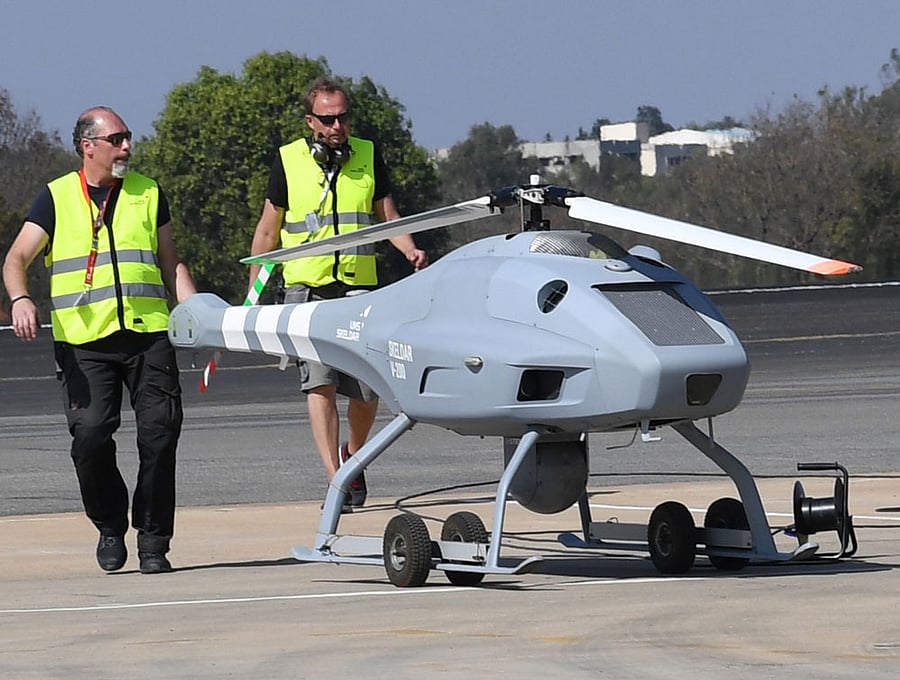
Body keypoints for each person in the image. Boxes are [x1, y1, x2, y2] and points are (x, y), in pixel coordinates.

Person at [2, 106, 197, 574]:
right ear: (88, 146)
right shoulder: (55, 197)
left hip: (148, 333)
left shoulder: (148, 192)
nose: (127, 146)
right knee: (90, 437)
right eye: (117, 139)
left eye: (129, 137)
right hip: (84, 342)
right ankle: (110, 525)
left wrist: (194, 312)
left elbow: (171, 263)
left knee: (160, 435)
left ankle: (153, 539)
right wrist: (21, 299)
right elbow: (15, 259)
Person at [248, 77, 427, 511]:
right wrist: (251, 291)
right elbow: (269, 229)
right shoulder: (289, 161)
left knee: (367, 391)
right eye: (327, 119)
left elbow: (387, 215)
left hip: (359, 291)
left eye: (343, 117)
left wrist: (410, 250)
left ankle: (354, 453)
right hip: (306, 291)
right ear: (311, 121)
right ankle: (337, 478)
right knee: (320, 386)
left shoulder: (366, 154)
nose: (337, 126)